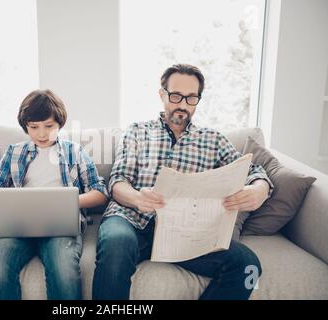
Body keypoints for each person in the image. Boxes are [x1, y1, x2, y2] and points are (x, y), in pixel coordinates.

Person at [92, 64, 274, 300]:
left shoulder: (213, 140)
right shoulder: (137, 131)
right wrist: (137, 198)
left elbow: (253, 170)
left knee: (248, 264)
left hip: (186, 231)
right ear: (162, 94)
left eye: (191, 98)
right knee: (116, 244)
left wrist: (259, 188)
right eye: (176, 96)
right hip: (130, 220)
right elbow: (117, 182)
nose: (183, 105)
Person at [0, 89, 108, 300]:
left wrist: (68, 202)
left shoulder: (74, 151)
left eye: (49, 126)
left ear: (59, 123)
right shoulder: (14, 152)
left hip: (61, 227)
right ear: (25, 127)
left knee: (63, 272)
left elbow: (100, 192)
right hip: (17, 228)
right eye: (34, 127)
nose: (42, 133)